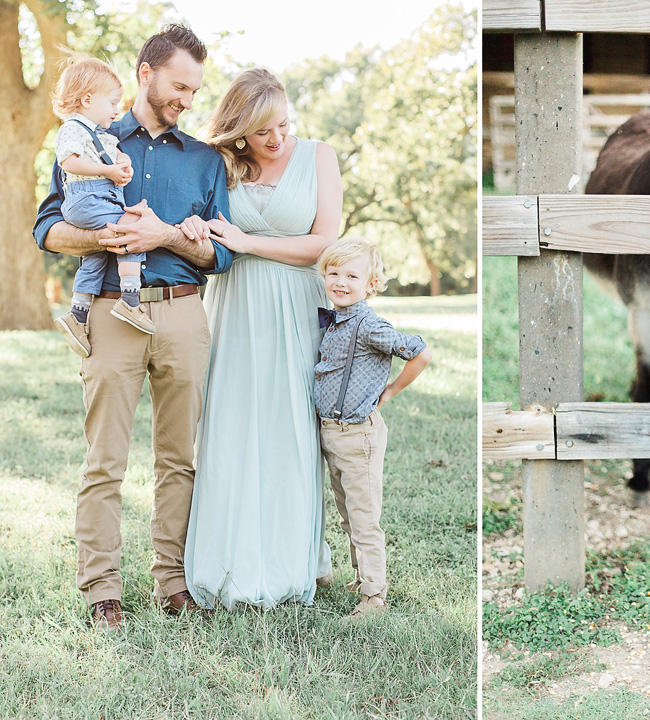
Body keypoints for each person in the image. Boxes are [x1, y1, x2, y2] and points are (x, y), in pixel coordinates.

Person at [33, 25, 233, 632]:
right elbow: (47, 229)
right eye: (179, 86)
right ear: (145, 74)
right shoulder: (87, 139)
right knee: (105, 459)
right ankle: (103, 591)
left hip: (182, 313)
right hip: (109, 312)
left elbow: (222, 253)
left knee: (179, 458)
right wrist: (106, 236)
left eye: (195, 90)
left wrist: (166, 234)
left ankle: (172, 583)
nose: (188, 100)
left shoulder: (205, 160)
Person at [183, 69, 343, 610]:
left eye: (283, 124)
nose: (276, 138)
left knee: (290, 429)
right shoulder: (216, 162)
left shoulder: (319, 157)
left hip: (297, 306)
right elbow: (199, 229)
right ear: (238, 129)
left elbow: (324, 243)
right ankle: (227, 562)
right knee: (230, 424)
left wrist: (247, 241)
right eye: (261, 130)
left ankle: (289, 561)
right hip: (235, 305)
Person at [314, 237, 432, 618]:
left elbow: (421, 353)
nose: (340, 282)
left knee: (364, 519)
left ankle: (375, 597)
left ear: (371, 285)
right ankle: (360, 578)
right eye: (334, 273)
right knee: (348, 514)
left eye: (352, 276)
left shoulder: (369, 326)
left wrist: (392, 389)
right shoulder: (335, 320)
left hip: (358, 436)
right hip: (332, 433)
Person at [51, 55, 157, 357]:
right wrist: (107, 171)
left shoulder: (101, 134)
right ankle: (130, 299)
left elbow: (115, 154)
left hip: (99, 198)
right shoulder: (73, 128)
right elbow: (69, 162)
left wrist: (122, 161)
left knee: (96, 255)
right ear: (87, 99)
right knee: (132, 228)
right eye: (112, 102)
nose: (117, 109)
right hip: (85, 197)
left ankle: (78, 314)